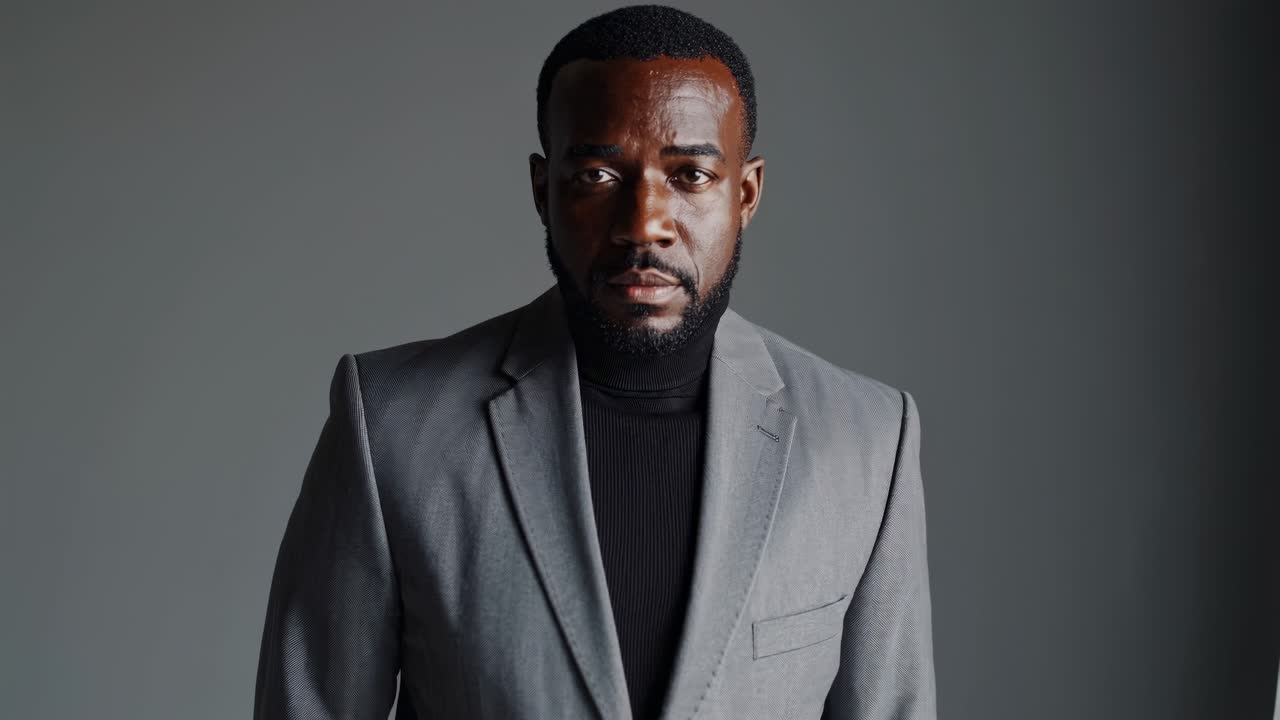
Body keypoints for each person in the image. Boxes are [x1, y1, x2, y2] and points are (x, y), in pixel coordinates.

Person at [253, 5, 936, 719]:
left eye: (691, 174)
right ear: (542, 191)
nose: (644, 223)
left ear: (745, 194)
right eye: (599, 175)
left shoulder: (867, 440)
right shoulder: (391, 425)